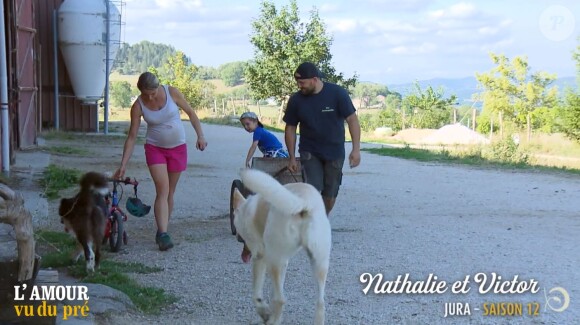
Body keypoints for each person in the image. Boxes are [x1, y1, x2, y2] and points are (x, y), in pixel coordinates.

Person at [114, 72, 207, 251]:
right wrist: (123, 164)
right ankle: (163, 234)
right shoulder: (138, 106)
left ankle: (162, 228)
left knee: (170, 192)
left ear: (158, 86)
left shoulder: (172, 92)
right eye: (145, 93)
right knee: (162, 190)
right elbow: (132, 137)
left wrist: (200, 136)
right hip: (155, 149)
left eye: (153, 92)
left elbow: (191, 112)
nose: (150, 96)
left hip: (178, 148)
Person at [283, 62, 361, 215]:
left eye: (302, 82)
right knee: (312, 191)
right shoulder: (296, 100)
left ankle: (321, 220)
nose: (299, 86)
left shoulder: (337, 93)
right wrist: (291, 157)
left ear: (314, 79)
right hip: (310, 151)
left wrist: (356, 149)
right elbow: (290, 128)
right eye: (298, 82)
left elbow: (352, 120)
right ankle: (310, 225)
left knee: (330, 195)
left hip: (335, 152)